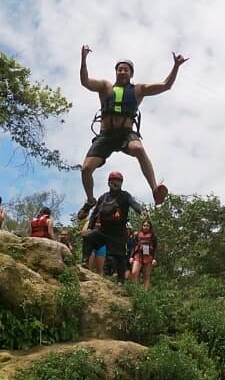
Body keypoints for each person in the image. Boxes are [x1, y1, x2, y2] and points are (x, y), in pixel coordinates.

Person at [75, 47, 187, 218]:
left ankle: (155, 190)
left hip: (126, 133)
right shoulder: (105, 87)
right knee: (86, 169)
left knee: (139, 149)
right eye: (119, 69)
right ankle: (90, 200)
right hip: (106, 136)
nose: (122, 71)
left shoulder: (138, 90)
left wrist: (176, 66)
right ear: (116, 72)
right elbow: (85, 82)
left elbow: (166, 86)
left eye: (126, 69)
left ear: (131, 73)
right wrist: (83, 60)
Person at [81, 171, 144, 284]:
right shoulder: (103, 197)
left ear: (121, 183)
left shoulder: (125, 195)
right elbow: (95, 213)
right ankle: (85, 261)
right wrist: (90, 227)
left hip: (118, 233)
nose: (116, 183)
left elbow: (133, 203)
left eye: (118, 181)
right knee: (88, 237)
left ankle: (120, 281)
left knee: (119, 257)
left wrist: (141, 211)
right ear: (109, 182)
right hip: (103, 231)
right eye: (113, 181)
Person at [129, 219, 158, 291]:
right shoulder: (137, 235)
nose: (145, 227)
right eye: (144, 225)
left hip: (148, 256)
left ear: (150, 227)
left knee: (146, 275)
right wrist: (131, 257)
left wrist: (155, 258)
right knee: (134, 272)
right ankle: (135, 290)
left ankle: (145, 293)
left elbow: (155, 248)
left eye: (147, 226)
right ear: (142, 226)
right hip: (138, 255)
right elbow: (133, 246)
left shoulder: (153, 236)